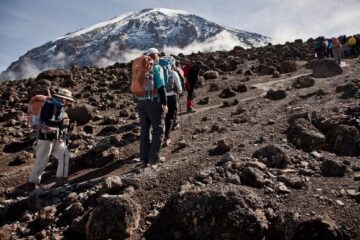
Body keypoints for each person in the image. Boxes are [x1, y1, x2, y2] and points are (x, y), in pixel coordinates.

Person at [27, 88, 76, 190]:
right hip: (45, 138)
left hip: (57, 137)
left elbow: (57, 123)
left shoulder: (59, 107)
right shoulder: (49, 105)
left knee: (64, 155)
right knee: (42, 160)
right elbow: (46, 121)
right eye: (65, 99)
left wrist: (68, 126)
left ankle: (61, 180)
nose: (66, 102)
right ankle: (32, 184)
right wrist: (61, 123)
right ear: (60, 98)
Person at [134, 48, 168, 166]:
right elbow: (161, 87)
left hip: (141, 102)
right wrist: (164, 103)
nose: (159, 57)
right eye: (158, 55)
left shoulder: (138, 69)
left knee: (144, 130)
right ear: (154, 56)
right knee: (158, 128)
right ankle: (154, 158)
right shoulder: (156, 68)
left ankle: (144, 159)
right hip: (153, 102)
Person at [164, 58, 183, 146]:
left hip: (159, 98)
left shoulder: (156, 72)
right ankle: (166, 137)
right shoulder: (173, 73)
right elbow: (179, 89)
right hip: (171, 97)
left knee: (160, 117)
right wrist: (178, 91)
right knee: (169, 117)